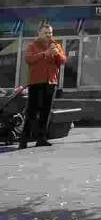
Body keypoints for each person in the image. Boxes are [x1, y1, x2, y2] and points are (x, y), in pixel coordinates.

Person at [19, 21, 67, 150]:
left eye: (50, 33)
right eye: (45, 33)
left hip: (51, 82)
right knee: (32, 112)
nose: (48, 35)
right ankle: (23, 140)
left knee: (46, 112)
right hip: (36, 82)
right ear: (39, 33)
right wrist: (45, 53)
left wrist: (57, 53)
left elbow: (63, 61)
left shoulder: (56, 45)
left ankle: (41, 139)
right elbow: (29, 59)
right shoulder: (32, 45)